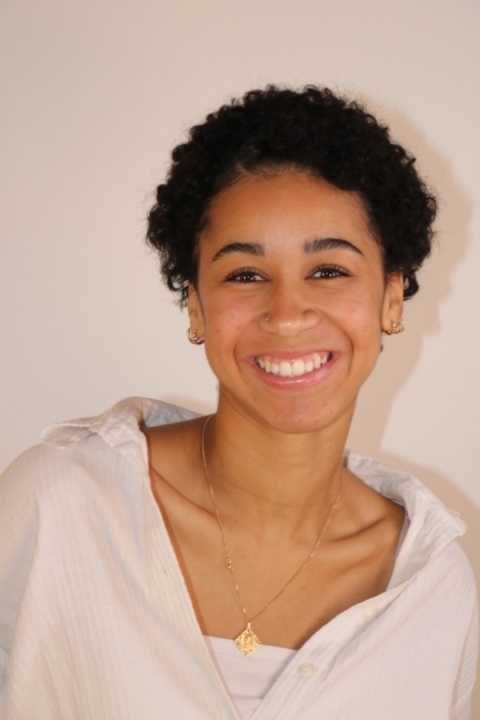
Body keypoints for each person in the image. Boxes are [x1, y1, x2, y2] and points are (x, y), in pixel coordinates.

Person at [0, 86, 477, 719]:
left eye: (329, 271)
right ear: (197, 306)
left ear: (391, 298)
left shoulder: (432, 587)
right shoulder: (60, 506)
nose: (287, 313)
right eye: (245, 275)